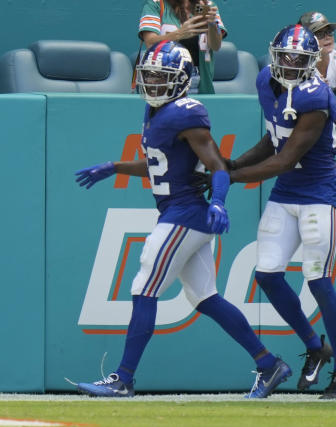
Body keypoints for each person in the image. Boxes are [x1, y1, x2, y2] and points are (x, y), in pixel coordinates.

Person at [73, 41, 290, 399]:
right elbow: (161, 165)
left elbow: (218, 165)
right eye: (150, 75)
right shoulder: (154, 110)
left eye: (162, 76)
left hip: (185, 213)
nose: (153, 83)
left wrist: (219, 201)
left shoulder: (187, 113)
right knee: (205, 298)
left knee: (144, 287)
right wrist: (114, 167)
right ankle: (269, 365)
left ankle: (123, 378)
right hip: (181, 212)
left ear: (183, 80)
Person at [224, 24, 336, 399]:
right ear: (274, 54)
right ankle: (316, 346)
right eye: (285, 55)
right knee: (267, 275)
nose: (290, 63)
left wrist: (231, 177)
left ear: (313, 62)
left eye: (298, 58)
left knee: (318, 281)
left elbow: (285, 159)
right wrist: (234, 163)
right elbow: (273, 136)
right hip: (286, 195)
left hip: (317, 194)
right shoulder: (266, 80)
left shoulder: (315, 95)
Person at [138, 0, 227, 94]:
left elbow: (216, 46)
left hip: (199, 80)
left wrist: (213, 24)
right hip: (165, 78)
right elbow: (150, 44)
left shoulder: (205, 5)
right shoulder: (156, 4)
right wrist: (180, 34)